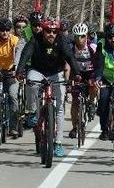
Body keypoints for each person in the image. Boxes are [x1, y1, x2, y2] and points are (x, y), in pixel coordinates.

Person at [15, 19, 80, 158]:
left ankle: (58, 143)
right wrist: (19, 71)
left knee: (60, 107)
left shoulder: (62, 40)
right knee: (31, 83)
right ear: (43, 31)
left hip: (56, 73)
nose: (51, 34)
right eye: (48, 31)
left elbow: (70, 57)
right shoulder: (35, 40)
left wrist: (77, 74)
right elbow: (25, 55)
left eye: (54, 31)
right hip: (38, 70)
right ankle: (32, 112)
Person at [67, 23, 101, 138]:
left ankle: (91, 103)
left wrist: (96, 78)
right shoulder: (71, 47)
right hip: (77, 73)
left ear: (86, 35)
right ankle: (75, 126)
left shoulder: (92, 47)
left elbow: (98, 65)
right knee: (75, 100)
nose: (79, 39)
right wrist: (68, 80)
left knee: (92, 85)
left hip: (90, 72)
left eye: (82, 36)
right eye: (77, 36)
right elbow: (67, 65)